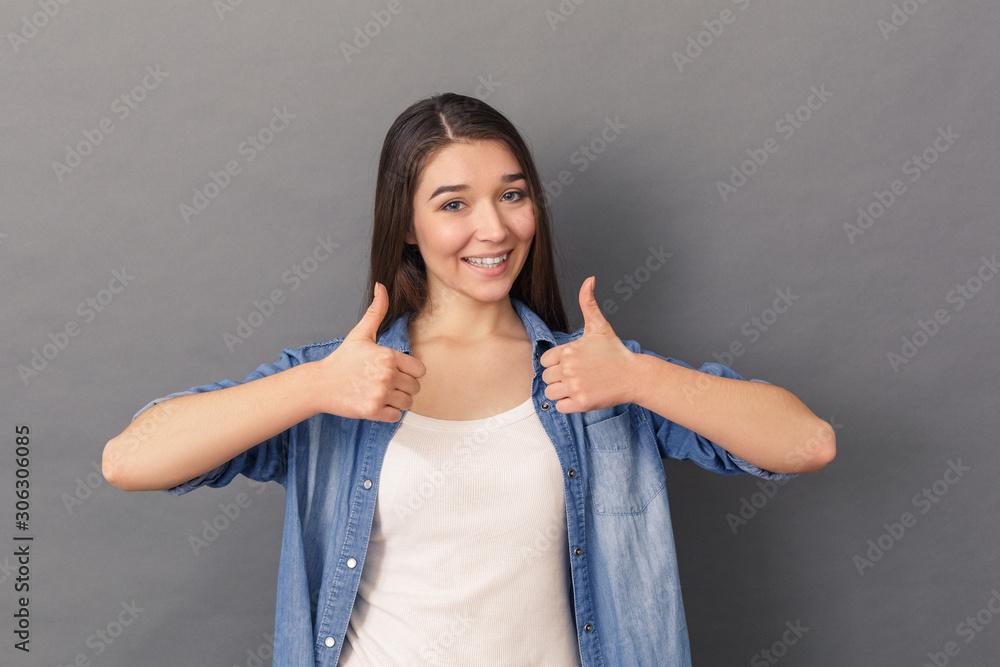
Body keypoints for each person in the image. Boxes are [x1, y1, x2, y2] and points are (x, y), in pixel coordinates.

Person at [103, 92, 835, 667]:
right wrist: (313, 388)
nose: (495, 228)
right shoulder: (339, 380)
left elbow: (807, 443)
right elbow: (129, 460)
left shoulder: (598, 378)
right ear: (407, 226)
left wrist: (640, 377)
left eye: (512, 195)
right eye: (454, 204)